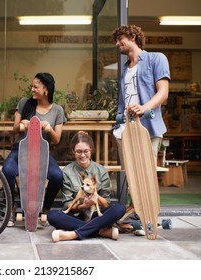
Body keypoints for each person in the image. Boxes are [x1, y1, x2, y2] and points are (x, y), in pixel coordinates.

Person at [2, 72, 66, 227]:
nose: (32, 89)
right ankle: (10, 208)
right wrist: (23, 123)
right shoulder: (24, 103)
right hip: (20, 148)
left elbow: (56, 139)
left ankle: (45, 209)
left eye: (35, 86)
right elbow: (14, 130)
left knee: (57, 176)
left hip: (42, 151)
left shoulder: (57, 110)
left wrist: (49, 129)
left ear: (46, 89)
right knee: (7, 171)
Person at [48, 131, 126, 241]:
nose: (83, 155)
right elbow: (67, 205)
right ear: (73, 152)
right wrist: (84, 205)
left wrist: (96, 198)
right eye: (78, 151)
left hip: (96, 214)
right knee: (52, 216)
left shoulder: (101, 170)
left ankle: (73, 234)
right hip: (77, 215)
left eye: (86, 151)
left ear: (91, 151)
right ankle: (100, 231)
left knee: (119, 208)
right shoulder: (67, 172)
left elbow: (106, 204)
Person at [112, 24, 170, 166]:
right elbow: (122, 103)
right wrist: (117, 126)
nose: (117, 43)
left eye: (120, 39)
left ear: (133, 37)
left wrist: (144, 108)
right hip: (124, 131)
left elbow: (163, 92)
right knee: (131, 177)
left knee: (146, 176)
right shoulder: (125, 69)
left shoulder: (156, 59)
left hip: (148, 127)